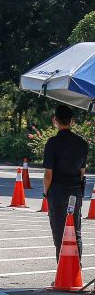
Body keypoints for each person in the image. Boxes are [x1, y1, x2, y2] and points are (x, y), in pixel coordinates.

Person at [43, 104, 89, 260]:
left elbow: (48, 174)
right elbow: (82, 171)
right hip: (75, 190)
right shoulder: (82, 143)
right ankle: (77, 269)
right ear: (72, 121)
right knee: (75, 229)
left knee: (59, 230)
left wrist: (45, 191)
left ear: (55, 120)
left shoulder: (52, 143)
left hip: (57, 190)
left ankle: (62, 271)